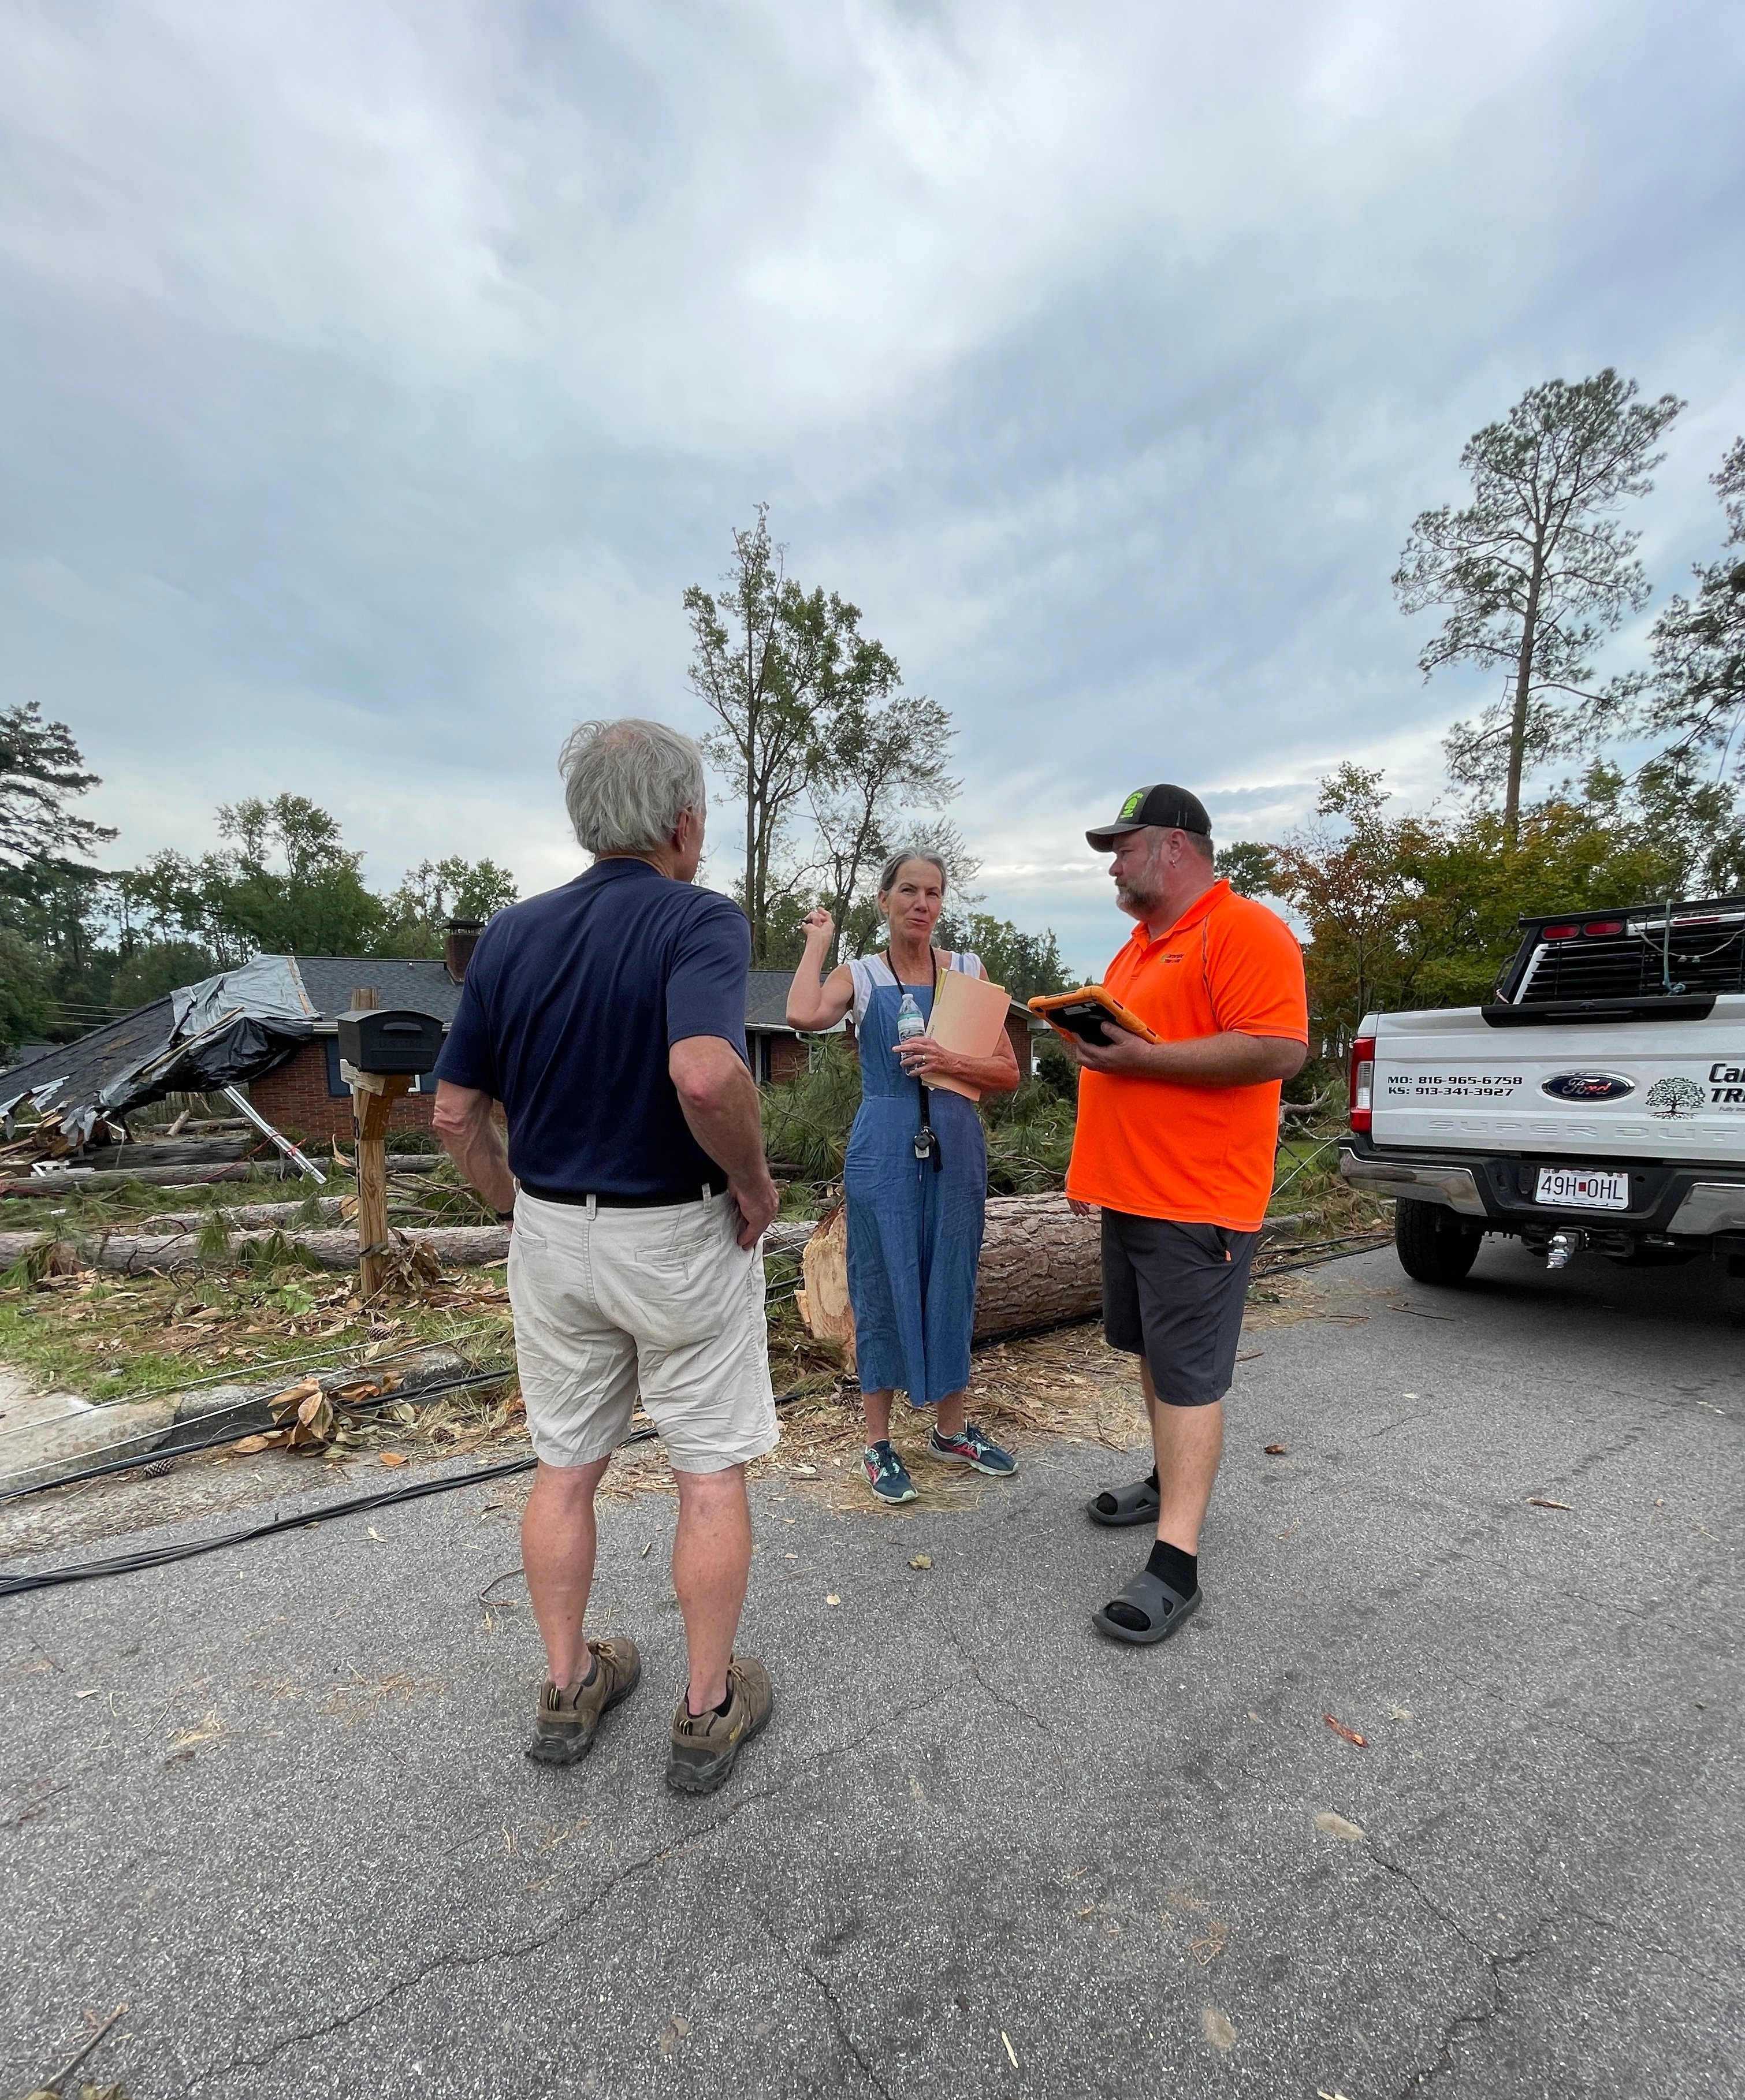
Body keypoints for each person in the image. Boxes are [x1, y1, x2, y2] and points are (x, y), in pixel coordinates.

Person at [432, 718, 782, 1794]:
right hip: (674, 1232)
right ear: (682, 821)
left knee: (566, 1466)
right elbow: (708, 1076)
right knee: (706, 1469)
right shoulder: (698, 922)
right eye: (704, 817)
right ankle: (705, 1704)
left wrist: (514, 1201)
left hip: (552, 1231)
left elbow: (452, 1115)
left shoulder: (512, 934)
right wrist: (757, 1185)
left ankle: (567, 1683)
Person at [1055, 784, 1308, 1646]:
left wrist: (1146, 1057)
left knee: (1191, 1376)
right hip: (1130, 1192)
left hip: (1198, 1200)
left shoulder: (1244, 930)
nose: (1114, 865)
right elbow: (1135, 1056)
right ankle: (1167, 1483)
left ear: (1174, 845)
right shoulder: (1138, 947)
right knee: (1154, 1357)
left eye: (1123, 848)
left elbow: (1278, 1046)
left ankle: (1177, 1562)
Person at [786, 851, 1021, 1505]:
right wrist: (818, 942)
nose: (923, 903)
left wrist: (952, 1058)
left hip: (957, 1145)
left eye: (934, 893)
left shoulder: (969, 974)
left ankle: (951, 1432)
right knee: (882, 1281)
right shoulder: (859, 975)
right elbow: (804, 1014)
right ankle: (879, 1445)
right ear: (885, 900)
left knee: (952, 1276)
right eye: (910, 891)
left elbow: (1006, 1073)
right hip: (885, 1146)